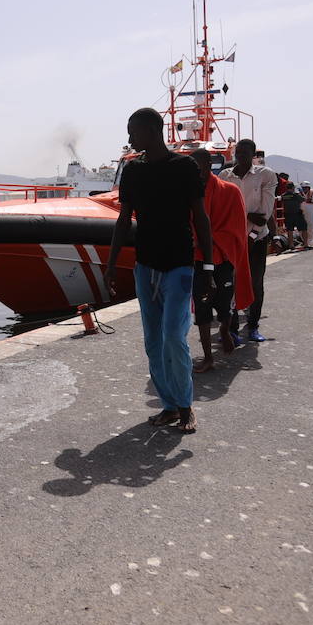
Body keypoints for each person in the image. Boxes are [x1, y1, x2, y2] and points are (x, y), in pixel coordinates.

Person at [104, 108, 214, 433]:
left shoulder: (185, 167)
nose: (129, 138)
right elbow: (125, 219)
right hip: (145, 266)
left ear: (152, 130)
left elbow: (201, 218)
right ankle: (168, 405)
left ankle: (185, 406)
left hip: (179, 266)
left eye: (133, 131)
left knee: (173, 338)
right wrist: (111, 265)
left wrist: (206, 266)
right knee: (152, 341)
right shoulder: (133, 171)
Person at [187, 149, 252, 373]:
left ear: (208, 165)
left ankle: (225, 329)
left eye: (198, 166)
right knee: (202, 307)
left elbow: (237, 228)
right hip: (198, 259)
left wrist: (211, 239)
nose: (195, 171)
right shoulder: (187, 192)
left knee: (225, 305)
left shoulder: (230, 191)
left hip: (223, 258)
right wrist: (197, 241)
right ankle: (207, 356)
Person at [220, 138, 278, 342]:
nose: (241, 156)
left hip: (256, 239)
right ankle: (232, 328)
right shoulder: (225, 176)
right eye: (238, 152)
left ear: (253, 154)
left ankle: (253, 326)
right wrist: (247, 215)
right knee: (229, 284)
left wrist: (252, 234)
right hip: (232, 240)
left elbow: (265, 212)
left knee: (255, 282)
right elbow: (223, 210)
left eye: (245, 152)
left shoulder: (266, 175)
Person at [280, 182, 307, 249]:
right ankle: (306, 243)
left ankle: (291, 245)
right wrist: (301, 192)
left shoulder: (283, 195)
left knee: (290, 230)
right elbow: (304, 199)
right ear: (293, 188)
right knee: (303, 228)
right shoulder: (296, 195)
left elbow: (281, 200)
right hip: (297, 214)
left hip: (288, 215)